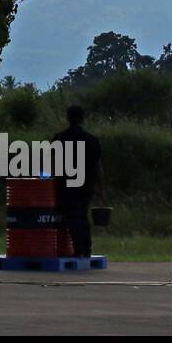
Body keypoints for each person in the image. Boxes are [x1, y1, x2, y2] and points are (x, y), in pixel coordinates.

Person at [52, 105, 103, 258]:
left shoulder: (59, 138)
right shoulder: (92, 140)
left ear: (67, 118)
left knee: (72, 216)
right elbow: (97, 166)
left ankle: (77, 249)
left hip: (66, 184)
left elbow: (52, 163)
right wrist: (101, 187)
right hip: (86, 184)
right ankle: (86, 249)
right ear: (82, 118)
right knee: (83, 215)